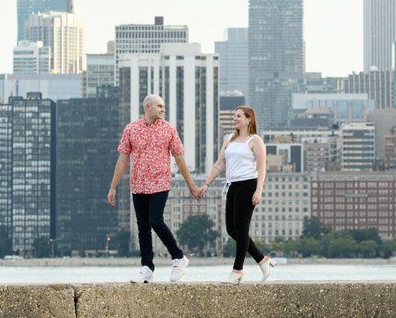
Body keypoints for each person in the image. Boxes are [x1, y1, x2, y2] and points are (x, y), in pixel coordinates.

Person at [107, 93, 199, 283]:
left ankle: (179, 257)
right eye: (159, 106)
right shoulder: (131, 129)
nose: (162, 109)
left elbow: (179, 158)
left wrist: (191, 185)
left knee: (155, 220)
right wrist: (113, 187)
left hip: (160, 183)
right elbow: (123, 159)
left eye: (163, 106)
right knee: (143, 227)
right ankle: (147, 267)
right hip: (138, 184)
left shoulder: (168, 130)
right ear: (147, 107)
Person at [200, 105, 273, 282]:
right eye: (234, 115)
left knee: (242, 229)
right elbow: (219, 164)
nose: (235, 118)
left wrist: (259, 191)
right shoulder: (229, 139)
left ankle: (237, 270)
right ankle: (262, 259)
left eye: (239, 115)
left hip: (248, 185)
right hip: (232, 186)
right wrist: (206, 185)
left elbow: (262, 167)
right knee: (232, 230)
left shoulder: (255, 140)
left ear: (248, 119)